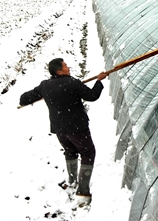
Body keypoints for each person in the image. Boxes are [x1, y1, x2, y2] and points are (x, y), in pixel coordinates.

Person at [19, 58, 107, 208]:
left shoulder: (45, 85)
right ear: (59, 71)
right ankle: (83, 191)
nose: (68, 67)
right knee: (87, 153)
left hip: (60, 129)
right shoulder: (72, 82)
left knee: (70, 151)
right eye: (65, 66)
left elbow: (23, 98)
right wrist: (99, 81)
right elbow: (92, 96)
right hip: (77, 128)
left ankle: (72, 181)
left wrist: (32, 99)